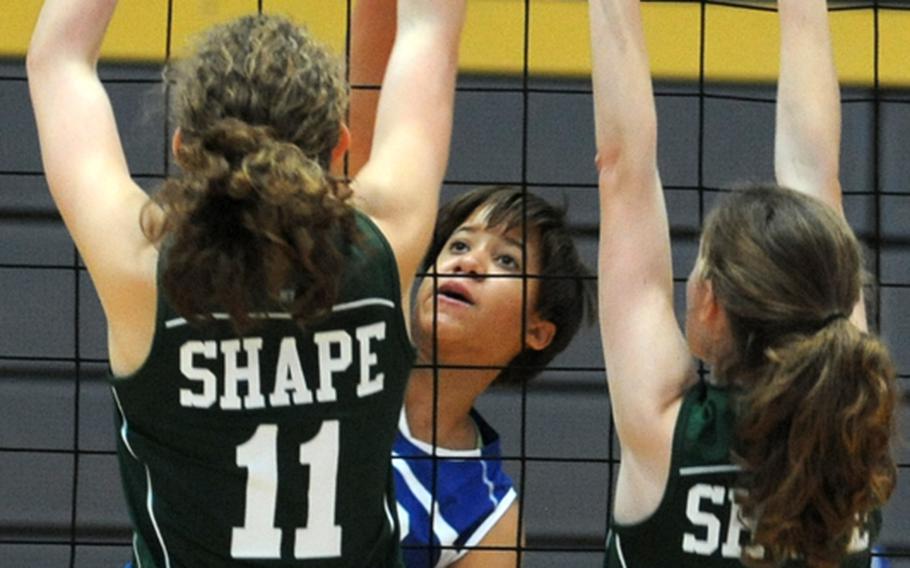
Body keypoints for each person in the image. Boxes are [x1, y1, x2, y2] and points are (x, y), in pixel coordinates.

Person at [27, 0, 465, 566]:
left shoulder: (142, 266)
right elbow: (430, 28)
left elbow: (58, 59)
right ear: (338, 144)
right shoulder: (384, 237)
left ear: (184, 147)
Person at [589, 0, 897, 566]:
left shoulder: (669, 433)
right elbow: (813, 173)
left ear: (710, 303)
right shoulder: (851, 435)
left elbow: (623, 170)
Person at [347, 5, 595, 566]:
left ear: (538, 331)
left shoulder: (488, 520)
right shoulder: (350, 336)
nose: (468, 263)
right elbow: (366, 126)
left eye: (506, 260)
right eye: (458, 245)